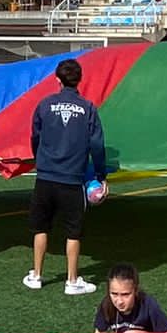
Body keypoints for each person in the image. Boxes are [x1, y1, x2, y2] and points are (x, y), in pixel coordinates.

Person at [24, 57, 106, 297]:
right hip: (72, 179)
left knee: (41, 227)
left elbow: (35, 137)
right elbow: (97, 144)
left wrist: (40, 160)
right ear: (80, 80)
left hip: (46, 177)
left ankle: (36, 275)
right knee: (73, 231)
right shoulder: (88, 108)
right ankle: (71, 280)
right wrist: (100, 174)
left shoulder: (44, 105)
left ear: (57, 80)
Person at [94, 265, 167, 333]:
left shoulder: (148, 305)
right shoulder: (106, 305)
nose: (119, 301)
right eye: (114, 294)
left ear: (135, 291)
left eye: (125, 294)